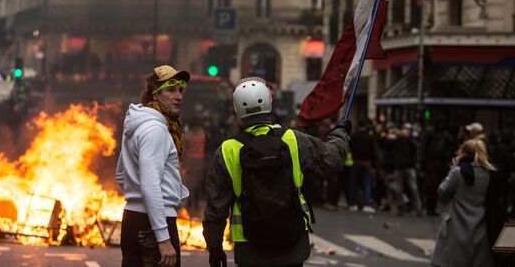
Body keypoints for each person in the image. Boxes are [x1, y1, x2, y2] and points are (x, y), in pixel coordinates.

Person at [202, 77, 350, 267]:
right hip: (293, 241)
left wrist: (214, 248)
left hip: (250, 246)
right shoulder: (293, 139)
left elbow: (215, 207)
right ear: (270, 103)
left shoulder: (227, 150)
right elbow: (332, 161)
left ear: (237, 109)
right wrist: (340, 132)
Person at [116, 65, 191, 267]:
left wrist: (137, 199)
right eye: (171, 90)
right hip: (154, 224)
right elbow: (150, 185)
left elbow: (121, 175)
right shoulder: (155, 129)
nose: (178, 96)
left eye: (180, 90)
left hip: (132, 219)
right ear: (155, 95)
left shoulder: (137, 124)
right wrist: (163, 239)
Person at [431, 139, 498, 267]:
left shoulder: (458, 172)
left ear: (462, 153)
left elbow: (442, 191)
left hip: (457, 225)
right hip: (481, 225)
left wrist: (453, 168)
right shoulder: (488, 173)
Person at [349, 120, 377, 213]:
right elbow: (373, 151)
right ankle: (366, 204)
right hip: (366, 162)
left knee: (354, 184)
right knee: (366, 184)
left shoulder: (353, 136)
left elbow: (350, 147)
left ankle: (353, 204)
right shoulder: (369, 136)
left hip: (356, 161)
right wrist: (374, 164)